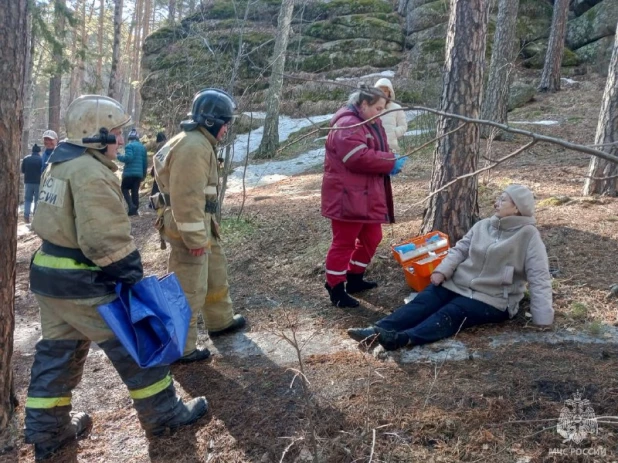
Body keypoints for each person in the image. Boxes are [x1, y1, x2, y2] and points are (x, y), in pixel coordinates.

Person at [25, 95, 207, 460]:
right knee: (139, 342)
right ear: (95, 134)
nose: (121, 141)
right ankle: (165, 415)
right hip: (82, 280)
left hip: (49, 278)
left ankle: (49, 433)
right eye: (116, 133)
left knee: (57, 353)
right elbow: (102, 238)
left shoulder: (60, 164)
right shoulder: (91, 173)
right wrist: (130, 274)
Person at [348, 185, 554, 351]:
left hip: (494, 298)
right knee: (425, 299)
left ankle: (402, 339)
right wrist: (442, 270)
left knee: (451, 312)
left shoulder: (529, 235)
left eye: (503, 199)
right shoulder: (483, 225)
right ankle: (378, 330)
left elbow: (539, 276)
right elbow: (459, 250)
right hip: (460, 283)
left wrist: (542, 318)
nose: (496, 202)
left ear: (517, 207)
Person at [153, 88, 246, 364]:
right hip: (188, 225)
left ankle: (220, 320)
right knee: (189, 285)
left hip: (199, 222)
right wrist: (194, 239)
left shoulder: (196, 141)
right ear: (211, 121)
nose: (227, 129)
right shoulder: (193, 147)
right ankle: (182, 347)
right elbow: (186, 196)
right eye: (225, 123)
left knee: (214, 271)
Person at [322, 85, 407, 308]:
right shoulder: (348, 124)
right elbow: (355, 156)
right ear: (363, 105)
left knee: (372, 237)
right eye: (378, 107)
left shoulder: (370, 121)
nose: (381, 112)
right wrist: (389, 161)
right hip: (347, 195)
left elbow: (377, 149)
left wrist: (390, 159)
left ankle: (354, 278)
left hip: (366, 193)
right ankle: (335, 288)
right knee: (344, 242)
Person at [117, 128, 148, 216]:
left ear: (129, 138)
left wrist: (118, 156)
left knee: (124, 189)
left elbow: (128, 158)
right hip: (139, 174)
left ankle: (131, 206)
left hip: (129, 173)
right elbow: (145, 163)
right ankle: (134, 211)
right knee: (135, 191)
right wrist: (143, 175)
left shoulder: (129, 146)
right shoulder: (142, 147)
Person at [374, 78, 407, 153]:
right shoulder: (371, 107)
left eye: (385, 91)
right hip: (375, 146)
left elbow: (403, 126)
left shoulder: (396, 107)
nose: (382, 93)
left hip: (392, 146)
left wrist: (394, 132)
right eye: (380, 90)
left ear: (389, 92)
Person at [21, 144, 43, 223]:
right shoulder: (41, 159)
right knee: (37, 200)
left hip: (28, 182)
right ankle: (35, 216)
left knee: (27, 200)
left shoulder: (26, 159)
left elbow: (23, 170)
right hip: (38, 182)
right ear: (39, 151)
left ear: (32, 151)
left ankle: (26, 216)